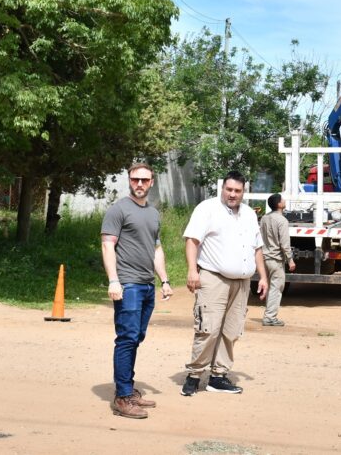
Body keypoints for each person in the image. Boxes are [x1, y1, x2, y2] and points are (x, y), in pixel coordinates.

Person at [181, 170, 267, 396]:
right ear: (222, 188)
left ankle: (218, 376)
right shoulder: (207, 209)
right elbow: (192, 241)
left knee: (231, 330)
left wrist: (263, 276)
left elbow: (257, 247)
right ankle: (194, 375)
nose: (232, 194)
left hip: (242, 283)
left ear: (243, 192)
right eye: (229, 189)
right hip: (213, 279)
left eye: (237, 191)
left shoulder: (249, 214)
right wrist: (192, 270)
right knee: (207, 328)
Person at [101, 162, 174, 419]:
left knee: (136, 337)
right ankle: (122, 398)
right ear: (129, 181)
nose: (140, 184)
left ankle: (128, 389)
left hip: (146, 285)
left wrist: (164, 280)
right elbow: (108, 246)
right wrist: (113, 280)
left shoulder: (153, 214)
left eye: (144, 180)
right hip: (128, 284)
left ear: (151, 181)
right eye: (135, 180)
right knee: (127, 338)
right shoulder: (118, 210)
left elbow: (156, 250)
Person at [260, 193, 296, 326]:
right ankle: (270, 317)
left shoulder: (264, 218)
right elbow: (284, 243)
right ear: (279, 204)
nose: (284, 200)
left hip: (265, 258)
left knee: (270, 287)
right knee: (276, 288)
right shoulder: (282, 221)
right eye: (283, 199)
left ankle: (268, 315)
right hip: (276, 260)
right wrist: (290, 260)